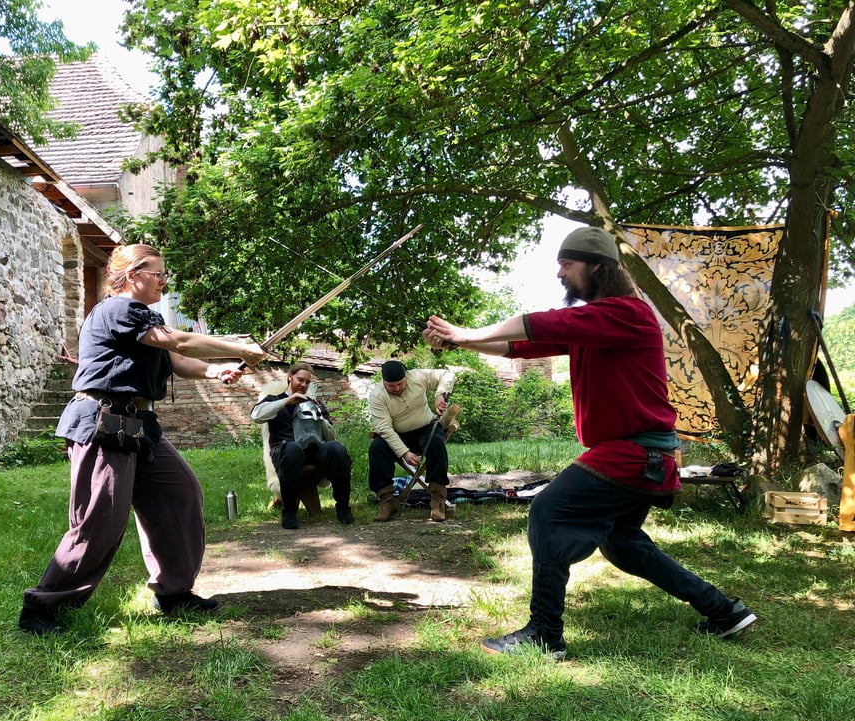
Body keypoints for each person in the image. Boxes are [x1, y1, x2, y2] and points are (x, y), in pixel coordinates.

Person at [424, 226, 756, 658]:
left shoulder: (626, 313)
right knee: (624, 544)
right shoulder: (595, 324)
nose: (559, 273)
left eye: (567, 264)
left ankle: (545, 633)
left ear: (597, 267)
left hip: (633, 452)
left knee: (549, 509)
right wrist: (460, 340)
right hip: (640, 453)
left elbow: (539, 322)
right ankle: (724, 611)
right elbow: (521, 345)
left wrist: (466, 332)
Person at [19, 244, 266, 636]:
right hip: (103, 423)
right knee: (101, 520)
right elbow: (180, 341)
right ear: (133, 274)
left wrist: (216, 372)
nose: (164, 282)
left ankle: (173, 592)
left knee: (179, 494)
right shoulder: (118, 309)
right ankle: (42, 606)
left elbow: (178, 360)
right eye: (157, 274)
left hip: (140, 426)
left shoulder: (147, 318)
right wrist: (239, 348)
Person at [250, 362, 354, 529]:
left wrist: (318, 416)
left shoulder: (315, 403)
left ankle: (343, 508)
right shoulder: (274, 400)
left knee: (336, 448)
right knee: (293, 448)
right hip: (285, 452)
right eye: (300, 380)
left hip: (315, 451)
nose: (303, 384)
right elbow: (256, 416)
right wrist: (286, 401)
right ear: (290, 377)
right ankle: (289, 512)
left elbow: (331, 436)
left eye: (307, 382)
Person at [368, 360, 455, 522]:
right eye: (391, 386)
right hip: (397, 434)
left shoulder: (417, 376)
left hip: (425, 429)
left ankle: (437, 500)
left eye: (400, 384)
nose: (397, 388)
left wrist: (440, 395)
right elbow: (384, 429)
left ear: (406, 376)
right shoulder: (377, 396)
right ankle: (387, 501)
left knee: (437, 443)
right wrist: (404, 452)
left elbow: (447, 374)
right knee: (377, 448)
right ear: (383, 382)